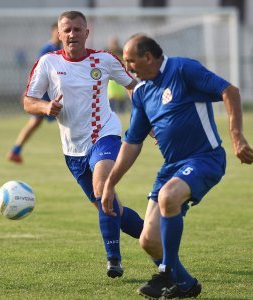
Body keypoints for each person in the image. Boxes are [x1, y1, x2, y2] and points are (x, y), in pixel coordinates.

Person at [102, 34, 253, 298]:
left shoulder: (183, 69)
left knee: (168, 196)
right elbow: (132, 143)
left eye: (130, 61)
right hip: (172, 167)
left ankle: (166, 274)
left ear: (148, 57)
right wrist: (110, 183)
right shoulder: (141, 93)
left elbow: (229, 91)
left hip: (205, 158)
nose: (128, 68)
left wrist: (237, 136)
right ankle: (186, 285)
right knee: (148, 241)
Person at [23, 11, 144, 278]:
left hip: (105, 135)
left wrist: (149, 117)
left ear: (86, 33)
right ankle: (153, 237)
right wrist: (46, 106)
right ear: (59, 33)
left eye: (78, 30)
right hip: (72, 150)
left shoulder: (104, 59)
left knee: (103, 188)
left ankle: (114, 261)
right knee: (110, 207)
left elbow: (134, 86)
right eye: (67, 30)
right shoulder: (47, 63)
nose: (72, 35)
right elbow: (28, 100)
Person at [7, 23, 62, 163]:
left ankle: (15, 150)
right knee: (39, 121)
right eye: (58, 31)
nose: (60, 33)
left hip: (52, 92)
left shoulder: (59, 48)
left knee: (37, 123)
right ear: (53, 32)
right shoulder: (48, 48)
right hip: (44, 93)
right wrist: (29, 90)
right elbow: (38, 69)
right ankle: (15, 150)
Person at [107, 37, 129, 114]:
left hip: (120, 77)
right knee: (112, 96)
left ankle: (122, 112)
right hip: (111, 80)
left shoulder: (121, 52)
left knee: (121, 95)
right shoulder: (108, 53)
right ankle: (112, 112)